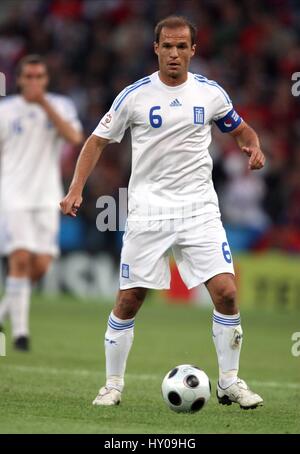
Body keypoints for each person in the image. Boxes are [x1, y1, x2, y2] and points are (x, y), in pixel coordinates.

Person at [61, 16, 265, 409]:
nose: (174, 54)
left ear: (193, 50)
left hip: (199, 210)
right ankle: (113, 385)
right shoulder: (134, 96)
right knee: (130, 299)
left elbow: (241, 130)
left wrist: (253, 147)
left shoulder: (210, 94)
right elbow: (96, 141)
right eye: (167, 46)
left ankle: (229, 382)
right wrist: (75, 189)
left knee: (226, 294)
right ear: (155, 49)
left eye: (181, 46)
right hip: (148, 212)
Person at [0, 55, 83, 350]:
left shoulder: (60, 106)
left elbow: (74, 137)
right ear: (19, 79)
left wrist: (43, 105)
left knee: (41, 266)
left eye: (39, 77)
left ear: (46, 80)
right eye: (29, 77)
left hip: (48, 195)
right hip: (13, 195)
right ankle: (21, 334)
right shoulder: (6, 111)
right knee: (20, 259)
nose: (34, 82)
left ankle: (3, 313)